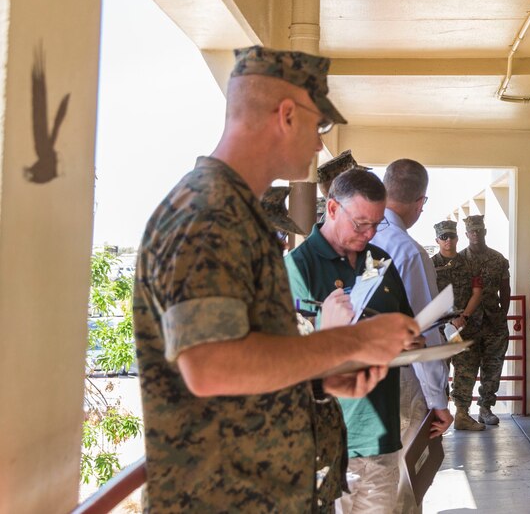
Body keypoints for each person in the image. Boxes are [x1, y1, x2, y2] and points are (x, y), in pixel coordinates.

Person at [133, 46, 419, 512]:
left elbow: (247, 361)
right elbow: (211, 367)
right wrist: (351, 343)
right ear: (287, 115)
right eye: (318, 124)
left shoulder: (235, 214)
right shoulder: (209, 214)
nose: (319, 144)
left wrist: (318, 381)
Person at [286, 168, 417, 513]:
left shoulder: (379, 261)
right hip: (327, 444)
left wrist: (407, 339)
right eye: (360, 223)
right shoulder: (298, 269)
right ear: (332, 209)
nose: (370, 233)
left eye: (377, 224)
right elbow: (289, 362)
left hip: (381, 436)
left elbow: (401, 320)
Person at [371, 158, 453, 509]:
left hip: (350, 380)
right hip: (399, 382)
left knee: (365, 483)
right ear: (421, 202)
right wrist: (438, 402)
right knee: (402, 484)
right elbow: (426, 333)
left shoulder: (353, 235)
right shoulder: (409, 252)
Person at [430, 219, 486, 432]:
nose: (448, 241)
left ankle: (462, 414)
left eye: (451, 236)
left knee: (466, 369)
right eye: (443, 237)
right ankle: (437, 417)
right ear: (437, 240)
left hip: (464, 327)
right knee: (438, 372)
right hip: (440, 330)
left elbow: (477, 292)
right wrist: (448, 318)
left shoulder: (470, 263)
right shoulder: (430, 264)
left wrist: (464, 316)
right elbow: (427, 296)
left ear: (457, 237)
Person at [460, 214, 512, 426]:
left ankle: (485, 408)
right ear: (466, 234)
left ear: (485, 232)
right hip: (469, 324)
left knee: (493, 366)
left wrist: (503, 313)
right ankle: (462, 411)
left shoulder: (498, 259)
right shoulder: (459, 261)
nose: (475, 235)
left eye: (479, 231)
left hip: (493, 321)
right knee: (466, 367)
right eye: (472, 232)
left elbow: (505, 288)